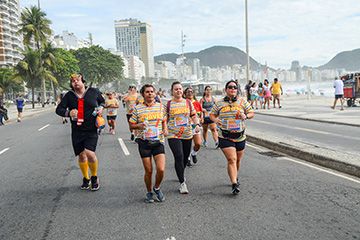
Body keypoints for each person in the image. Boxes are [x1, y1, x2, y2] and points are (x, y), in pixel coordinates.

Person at [56, 73, 105, 191]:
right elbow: (59, 109)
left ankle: (94, 177)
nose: (75, 82)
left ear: (83, 81)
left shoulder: (93, 91)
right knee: (82, 155)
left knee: (90, 153)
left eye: (77, 80)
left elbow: (102, 102)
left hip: (91, 129)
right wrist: (68, 113)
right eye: (73, 81)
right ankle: (86, 178)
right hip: (77, 130)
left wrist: (101, 108)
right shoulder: (69, 96)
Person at [210, 80, 254, 195]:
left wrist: (246, 116)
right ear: (226, 90)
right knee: (232, 159)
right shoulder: (219, 103)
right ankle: (234, 183)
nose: (232, 89)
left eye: (235, 87)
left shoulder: (242, 102)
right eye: (230, 87)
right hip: (225, 136)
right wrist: (216, 120)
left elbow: (251, 113)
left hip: (240, 136)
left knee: (237, 160)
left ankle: (235, 176)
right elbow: (212, 114)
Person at [129, 84, 168, 203]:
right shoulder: (137, 108)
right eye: (147, 92)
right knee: (149, 171)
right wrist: (138, 126)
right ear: (143, 94)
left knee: (161, 169)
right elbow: (131, 124)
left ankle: (157, 187)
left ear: (155, 93)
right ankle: (149, 191)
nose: (150, 93)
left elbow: (164, 119)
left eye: (152, 91)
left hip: (158, 141)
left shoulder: (161, 107)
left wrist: (165, 129)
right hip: (144, 142)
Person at [166, 81, 201, 194]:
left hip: (187, 134)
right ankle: (182, 183)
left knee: (185, 158)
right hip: (173, 134)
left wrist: (196, 124)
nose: (178, 91)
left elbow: (194, 115)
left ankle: (180, 172)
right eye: (176, 89)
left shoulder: (188, 103)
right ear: (172, 91)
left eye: (180, 89)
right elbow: (164, 119)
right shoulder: (168, 104)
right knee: (179, 156)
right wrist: (164, 129)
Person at [184, 87, 202, 166]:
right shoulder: (183, 103)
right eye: (188, 92)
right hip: (186, 126)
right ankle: (187, 159)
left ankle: (193, 154)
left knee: (198, 144)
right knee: (187, 144)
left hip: (195, 126)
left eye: (191, 91)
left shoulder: (197, 103)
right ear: (185, 93)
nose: (190, 93)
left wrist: (201, 118)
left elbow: (200, 113)